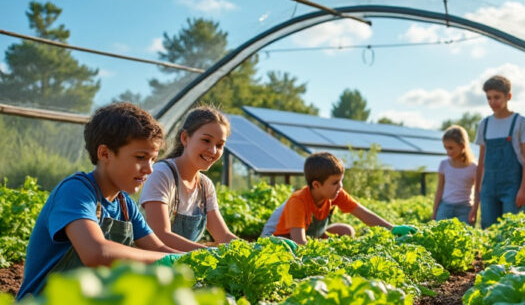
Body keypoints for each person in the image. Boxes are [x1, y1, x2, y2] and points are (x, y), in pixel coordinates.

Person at [17, 103, 180, 299]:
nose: (149, 169)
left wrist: (201, 259)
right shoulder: (76, 191)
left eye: (153, 159)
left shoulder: (124, 204)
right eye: (140, 157)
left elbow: (159, 248)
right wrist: (171, 261)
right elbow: (96, 252)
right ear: (104, 154)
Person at [140, 106, 239, 252]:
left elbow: (223, 236)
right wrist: (209, 253)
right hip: (149, 267)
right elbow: (160, 235)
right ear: (185, 138)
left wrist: (254, 250)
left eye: (219, 145)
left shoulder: (205, 186)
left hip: (181, 265)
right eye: (206, 140)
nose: (213, 151)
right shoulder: (162, 174)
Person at [270, 152, 415, 245]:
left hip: (312, 237)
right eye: (335, 182)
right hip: (287, 240)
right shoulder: (298, 201)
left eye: (341, 180)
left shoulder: (335, 194)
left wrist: (392, 228)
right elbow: (299, 242)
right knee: (287, 247)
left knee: (346, 230)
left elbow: (364, 214)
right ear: (316, 184)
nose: (340, 186)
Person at [471, 75, 525, 228]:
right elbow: (481, 163)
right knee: (489, 232)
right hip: (488, 188)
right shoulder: (484, 124)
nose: (493, 102)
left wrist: (523, 189)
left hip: (513, 187)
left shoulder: (520, 122)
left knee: (512, 230)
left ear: (508, 96)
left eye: (497, 97)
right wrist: (477, 195)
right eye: (489, 98)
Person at [433, 125, 477, 223]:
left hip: (465, 209)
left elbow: (478, 191)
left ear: (462, 146)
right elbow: (440, 189)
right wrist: (435, 211)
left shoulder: (474, 167)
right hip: (445, 208)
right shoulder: (444, 164)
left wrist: (474, 211)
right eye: (446, 148)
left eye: (451, 148)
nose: (448, 152)